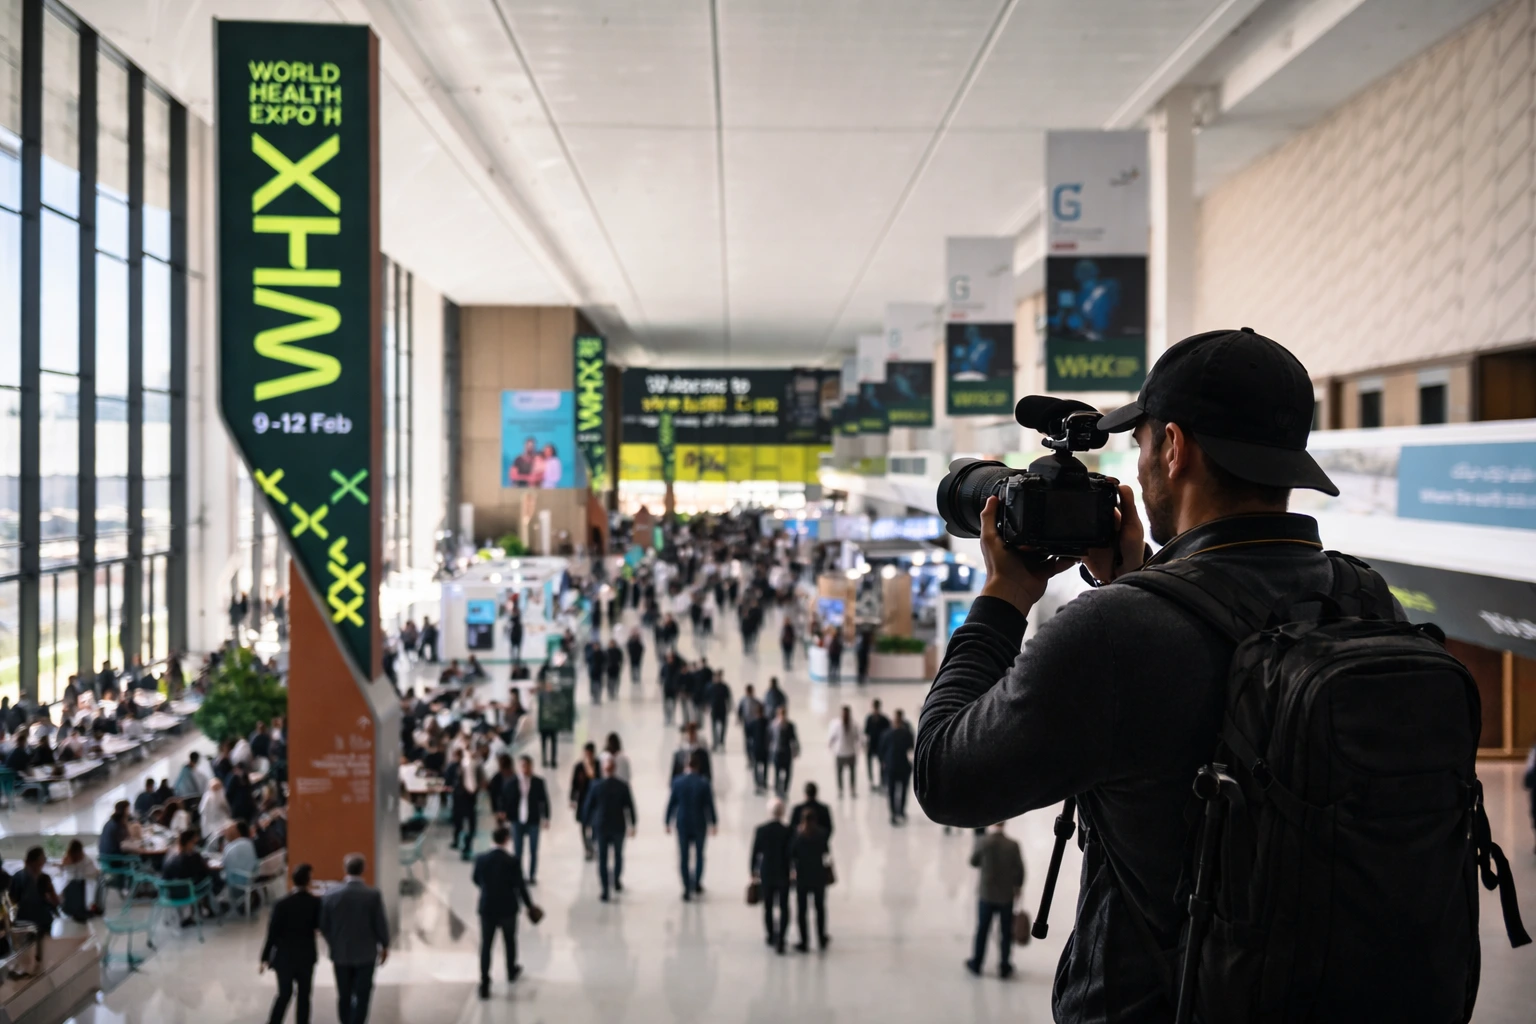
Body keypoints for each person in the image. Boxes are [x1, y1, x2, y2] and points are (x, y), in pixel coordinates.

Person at [915, 329, 1396, 1022]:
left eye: (1140, 445)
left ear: (1174, 448)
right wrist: (1146, 582)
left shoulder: (1114, 634)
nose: (1139, 467)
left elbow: (943, 777)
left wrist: (1002, 599)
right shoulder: (1364, 598)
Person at [319, 854, 390, 1024]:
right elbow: (380, 922)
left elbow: (323, 925)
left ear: (345, 869)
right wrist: (385, 945)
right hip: (366, 953)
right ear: (364, 869)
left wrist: (333, 942)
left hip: (340, 952)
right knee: (363, 993)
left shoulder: (330, 894)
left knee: (344, 994)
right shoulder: (372, 895)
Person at [472, 827, 542, 998]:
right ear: (507, 840)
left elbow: (475, 879)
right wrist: (529, 905)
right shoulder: (513, 861)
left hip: (487, 908)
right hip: (508, 909)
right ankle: (511, 970)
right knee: (509, 941)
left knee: (486, 945)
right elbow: (520, 886)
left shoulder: (481, 859)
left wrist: (487, 888)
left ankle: (485, 983)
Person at [263, 863, 322, 1024]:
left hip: (284, 956)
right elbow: (319, 926)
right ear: (309, 881)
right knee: (304, 995)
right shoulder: (315, 903)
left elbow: (272, 933)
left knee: (284, 994)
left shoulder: (281, 904)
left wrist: (265, 956)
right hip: (306, 956)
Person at [967, 822, 1025, 978]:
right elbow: (1020, 870)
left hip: (986, 894)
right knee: (1005, 932)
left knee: (982, 930)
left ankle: (977, 963)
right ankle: (1004, 965)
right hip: (1006, 896)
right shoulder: (1013, 845)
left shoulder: (984, 842)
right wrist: (1018, 888)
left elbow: (973, 861)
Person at [581, 755, 637, 902]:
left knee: (603, 859)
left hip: (601, 827)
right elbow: (630, 806)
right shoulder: (623, 786)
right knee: (618, 855)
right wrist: (633, 824)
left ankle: (605, 889)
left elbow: (588, 806)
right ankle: (616, 880)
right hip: (618, 826)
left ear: (603, 769)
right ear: (615, 769)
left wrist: (586, 823)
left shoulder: (596, 786)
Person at [664, 749, 717, 901]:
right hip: (700, 823)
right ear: (698, 767)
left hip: (683, 823)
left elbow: (672, 803)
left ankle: (687, 887)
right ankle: (697, 882)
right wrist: (714, 822)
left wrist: (667, 821)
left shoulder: (677, 782)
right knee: (699, 855)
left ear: (686, 766)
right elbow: (710, 805)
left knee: (684, 857)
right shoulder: (704, 783)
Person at [751, 797, 793, 954]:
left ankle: (770, 935)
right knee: (783, 907)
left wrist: (752, 872)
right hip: (783, 872)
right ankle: (781, 938)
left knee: (768, 906)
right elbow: (792, 854)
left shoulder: (761, 830)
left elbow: (755, 853)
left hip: (766, 872)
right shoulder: (788, 831)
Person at [505, 756, 550, 885]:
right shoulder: (512, 782)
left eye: (527, 765)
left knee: (533, 850)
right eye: (523, 765)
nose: (525, 768)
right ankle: (518, 875)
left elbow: (544, 800)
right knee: (518, 850)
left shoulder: (538, 782)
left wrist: (546, 817)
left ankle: (532, 875)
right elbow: (506, 799)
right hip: (517, 819)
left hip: (533, 820)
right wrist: (506, 815)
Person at [789, 812, 831, 953]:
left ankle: (804, 941)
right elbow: (826, 852)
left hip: (802, 877)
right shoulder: (822, 834)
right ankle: (821, 938)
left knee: (802, 910)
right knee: (820, 909)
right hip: (818, 876)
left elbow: (792, 853)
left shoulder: (799, 836)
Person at [10, 847, 59, 965]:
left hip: (37, 921)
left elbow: (55, 902)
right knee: (32, 953)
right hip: (29, 922)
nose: (44, 861)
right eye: (42, 858)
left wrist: (51, 893)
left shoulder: (42, 878)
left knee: (37, 953)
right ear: (35, 861)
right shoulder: (21, 877)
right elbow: (12, 902)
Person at [881, 709, 914, 825]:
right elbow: (882, 751)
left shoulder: (905, 733)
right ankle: (894, 813)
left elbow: (911, 749)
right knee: (893, 791)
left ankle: (900, 811)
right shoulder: (888, 734)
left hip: (901, 766)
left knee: (902, 791)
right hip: (893, 767)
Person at [569, 742, 600, 861]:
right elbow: (574, 784)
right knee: (583, 825)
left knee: (594, 825)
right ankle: (587, 848)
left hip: (595, 802)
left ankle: (593, 845)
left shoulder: (597, 765)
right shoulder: (579, 767)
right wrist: (572, 799)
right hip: (582, 801)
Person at [59, 838, 101, 921]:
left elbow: (62, 871)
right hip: (79, 886)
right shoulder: (85, 859)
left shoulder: (66, 859)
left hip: (67, 887)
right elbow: (93, 872)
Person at [828, 705, 860, 797]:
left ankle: (852, 790)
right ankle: (840, 790)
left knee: (852, 774)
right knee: (839, 773)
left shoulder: (854, 724)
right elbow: (833, 736)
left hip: (851, 752)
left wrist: (860, 746)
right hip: (840, 752)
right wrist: (830, 744)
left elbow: (858, 737)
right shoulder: (836, 724)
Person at [768, 706, 799, 797]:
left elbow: (794, 739)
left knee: (788, 772)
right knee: (777, 772)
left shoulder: (790, 725)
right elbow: (769, 738)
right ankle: (777, 789)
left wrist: (796, 751)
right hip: (777, 752)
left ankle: (785, 789)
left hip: (786, 752)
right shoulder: (773, 725)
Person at [864, 700, 891, 793]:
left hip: (880, 746)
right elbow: (866, 733)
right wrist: (866, 745)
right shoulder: (869, 719)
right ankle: (871, 782)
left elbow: (888, 733)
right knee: (869, 764)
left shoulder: (884, 719)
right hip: (871, 745)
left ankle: (881, 782)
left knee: (882, 765)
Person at [706, 670, 731, 752]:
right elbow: (707, 698)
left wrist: (729, 707)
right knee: (714, 727)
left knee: (723, 727)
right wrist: (707, 707)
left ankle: (721, 742)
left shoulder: (724, 687)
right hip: (714, 709)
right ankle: (715, 743)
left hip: (722, 709)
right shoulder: (710, 687)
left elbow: (728, 698)